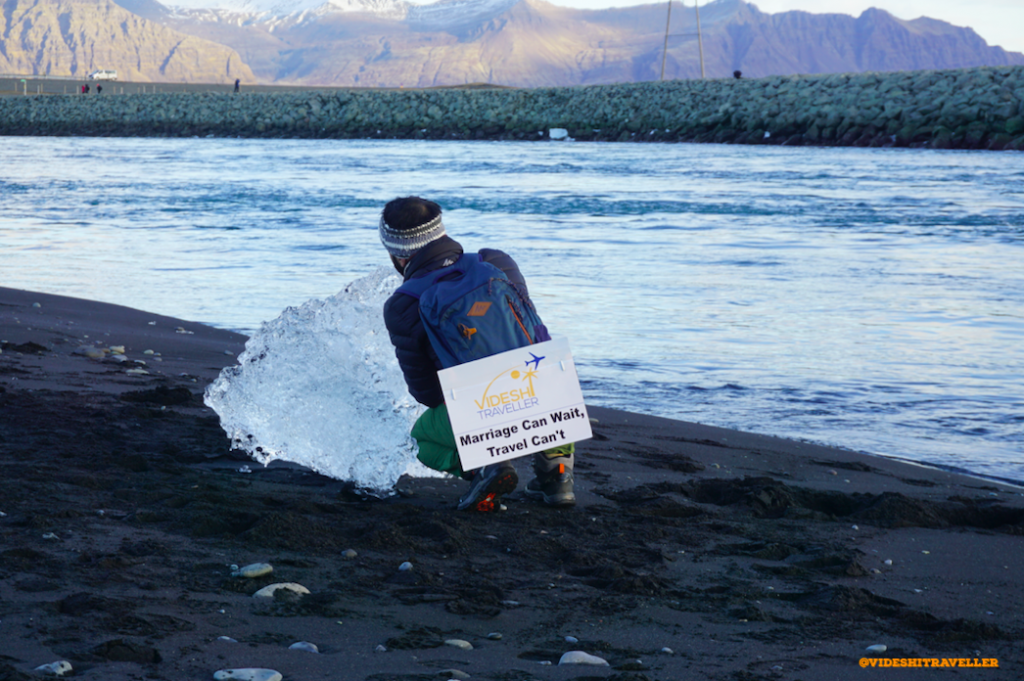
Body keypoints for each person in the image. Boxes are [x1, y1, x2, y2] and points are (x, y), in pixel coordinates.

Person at [380, 196, 576, 512]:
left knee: (420, 439)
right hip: (549, 394)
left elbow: (427, 394)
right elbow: (537, 334)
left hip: (485, 406)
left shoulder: (402, 305)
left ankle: (488, 467)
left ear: (398, 256)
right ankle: (558, 477)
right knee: (547, 372)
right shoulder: (497, 262)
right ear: (440, 232)